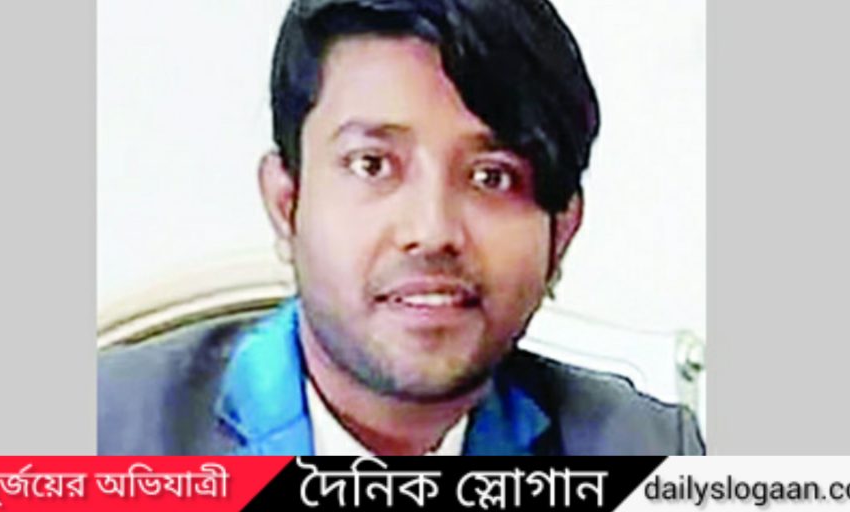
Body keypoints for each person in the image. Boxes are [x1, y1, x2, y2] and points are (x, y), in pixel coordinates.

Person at [98, 0, 705, 456]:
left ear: (561, 233)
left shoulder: (648, 453)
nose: (431, 230)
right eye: (373, 165)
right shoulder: (99, 435)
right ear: (287, 204)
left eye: (491, 176)